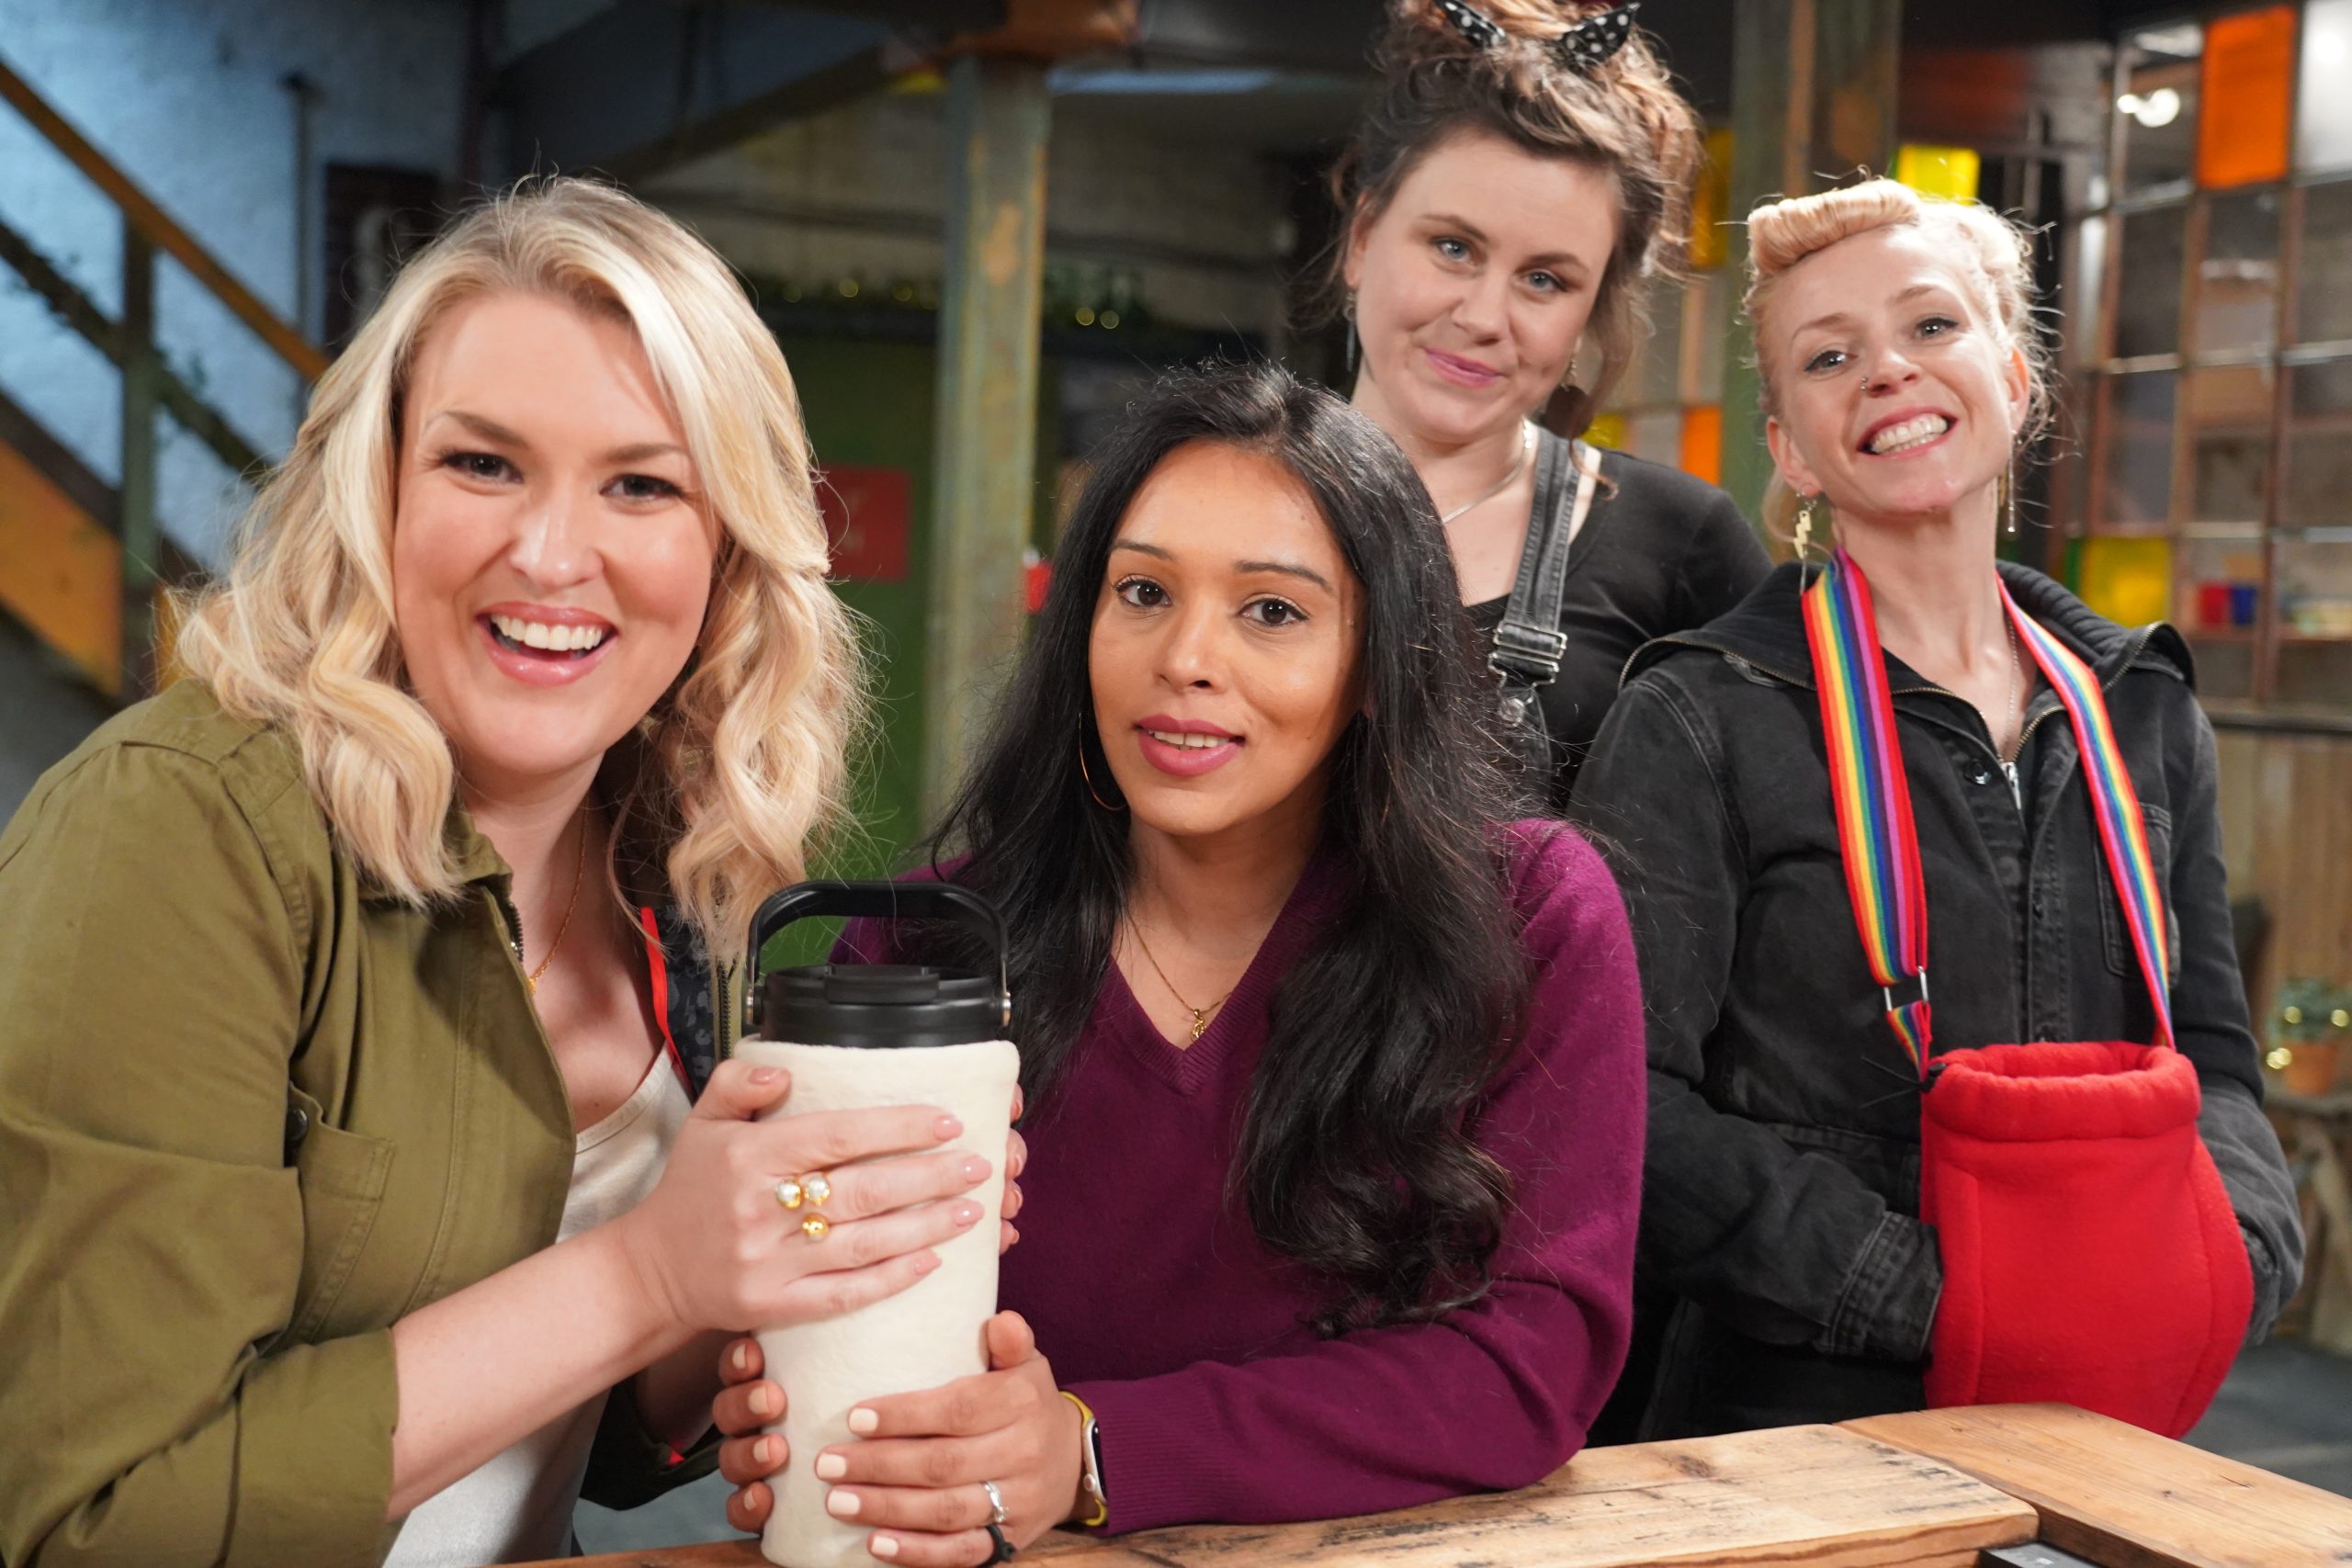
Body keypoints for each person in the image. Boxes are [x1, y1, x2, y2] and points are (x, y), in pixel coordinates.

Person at [0, 179, 1012, 1567]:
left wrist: (811, 1239)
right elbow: (104, 1524)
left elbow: (591, 1422)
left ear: (724, 552)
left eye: (642, 483)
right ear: (380, 490)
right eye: (484, 464)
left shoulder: (673, 854)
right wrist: (654, 1263)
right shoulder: (174, 831)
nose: (548, 552)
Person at [710, 363, 1646, 1563]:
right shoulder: (927, 938)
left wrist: (1093, 1447)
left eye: (1273, 610)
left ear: (1375, 666)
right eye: (1142, 590)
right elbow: (822, 1299)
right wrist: (797, 1393)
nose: (1186, 657)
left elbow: (1533, 1361)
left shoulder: (1531, 916)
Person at [1573, 178, 2303, 1437]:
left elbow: (2217, 1057)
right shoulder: (1702, 713)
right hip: (1796, 1423)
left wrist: (2229, 1252)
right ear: (1792, 447)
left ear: (2017, 381)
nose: (1888, 373)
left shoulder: (2139, 704)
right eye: (1830, 354)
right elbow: (1617, 1098)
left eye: (1931, 327)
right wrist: (1917, 1292)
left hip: (2111, 1403)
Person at [1330, 0, 1770, 803]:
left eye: (1544, 279)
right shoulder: (1210, 496)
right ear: (1363, 239)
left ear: (1591, 308)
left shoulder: (1681, 544)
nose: (1483, 319)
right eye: (1454, 248)